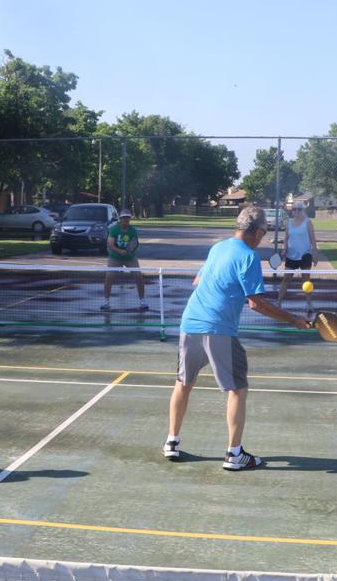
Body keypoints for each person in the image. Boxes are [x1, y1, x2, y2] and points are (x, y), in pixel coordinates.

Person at [165, 205, 311, 470]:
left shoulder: (218, 248)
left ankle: (171, 442)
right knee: (237, 390)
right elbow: (256, 303)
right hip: (219, 329)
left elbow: (198, 281)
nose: (263, 238)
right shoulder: (249, 257)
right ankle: (234, 455)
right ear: (256, 232)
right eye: (264, 232)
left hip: (190, 323)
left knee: (183, 383)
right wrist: (294, 320)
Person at [102, 209, 148, 311]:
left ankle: (143, 301)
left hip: (130, 258)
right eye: (123, 218)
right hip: (115, 258)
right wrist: (120, 251)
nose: (125, 220)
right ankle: (106, 302)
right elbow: (110, 244)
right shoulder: (114, 229)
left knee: (138, 277)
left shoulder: (133, 230)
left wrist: (128, 251)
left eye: (127, 218)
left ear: (130, 219)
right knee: (109, 277)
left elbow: (134, 243)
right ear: (120, 219)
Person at [276, 201, 318, 310]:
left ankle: (309, 304)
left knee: (306, 281)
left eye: (299, 209)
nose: (296, 211)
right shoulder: (289, 223)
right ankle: (278, 302)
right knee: (286, 279)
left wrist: (315, 253)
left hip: (305, 255)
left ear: (302, 210)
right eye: (294, 209)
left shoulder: (308, 222)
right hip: (291, 256)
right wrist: (284, 249)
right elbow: (286, 238)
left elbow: (313, 239)